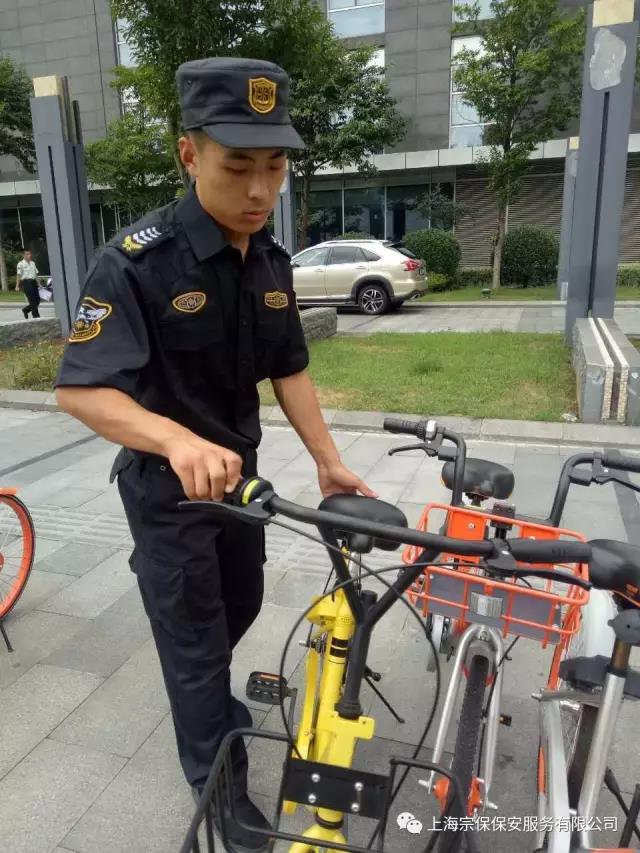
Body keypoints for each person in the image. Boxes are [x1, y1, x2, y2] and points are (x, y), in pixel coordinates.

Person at [54, 57, 374, 852]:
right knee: (197, 642)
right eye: (238, 166)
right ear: (189, 154)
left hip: (240, 485)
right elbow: (81, 389)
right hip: (166, 491)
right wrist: (172, 436)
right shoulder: (134, 262)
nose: (261, 190)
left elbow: (288, 365)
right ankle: (217, 784)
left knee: (242, 600)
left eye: (276, 166)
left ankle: (195, 676)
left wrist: (328, 459)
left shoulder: (268, 259)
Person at [16, 249, 40, 319]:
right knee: (32, 300)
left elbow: (36, 274)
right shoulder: (20, 264)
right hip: (26, 283)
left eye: (30, 254)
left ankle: (26, 310)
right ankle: (36, 316)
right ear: (23, 255)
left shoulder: (33, 263)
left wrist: (39, 283)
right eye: (27, 254)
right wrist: (17, 286)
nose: (29, 255)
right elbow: (18, 275)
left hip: (33, 282)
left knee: (37, 300)